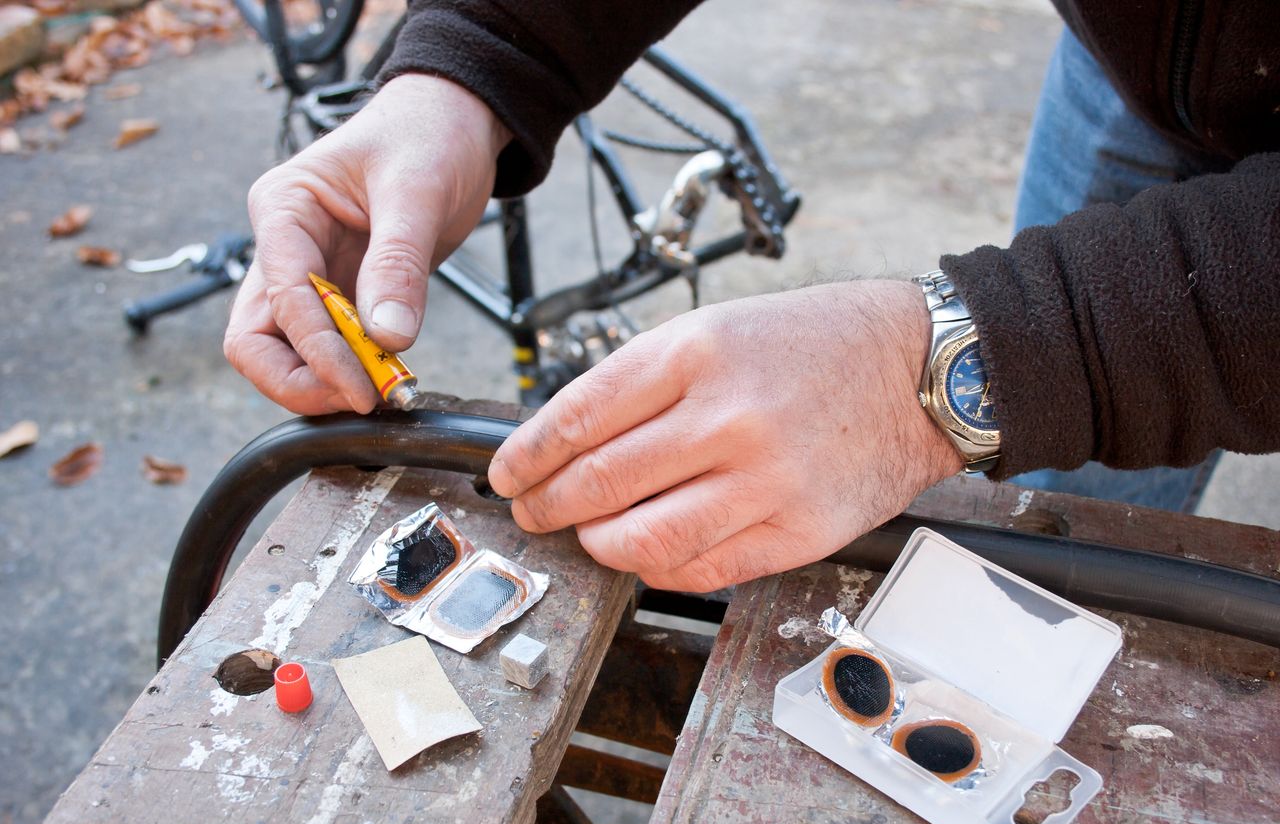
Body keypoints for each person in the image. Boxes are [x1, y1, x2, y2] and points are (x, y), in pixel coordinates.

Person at [224, 1, 1280, 593]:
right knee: (1041, 527)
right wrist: (472, 61)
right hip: (1138, 59)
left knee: (1074, 554)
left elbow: (1034, 354)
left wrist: (974, 356)